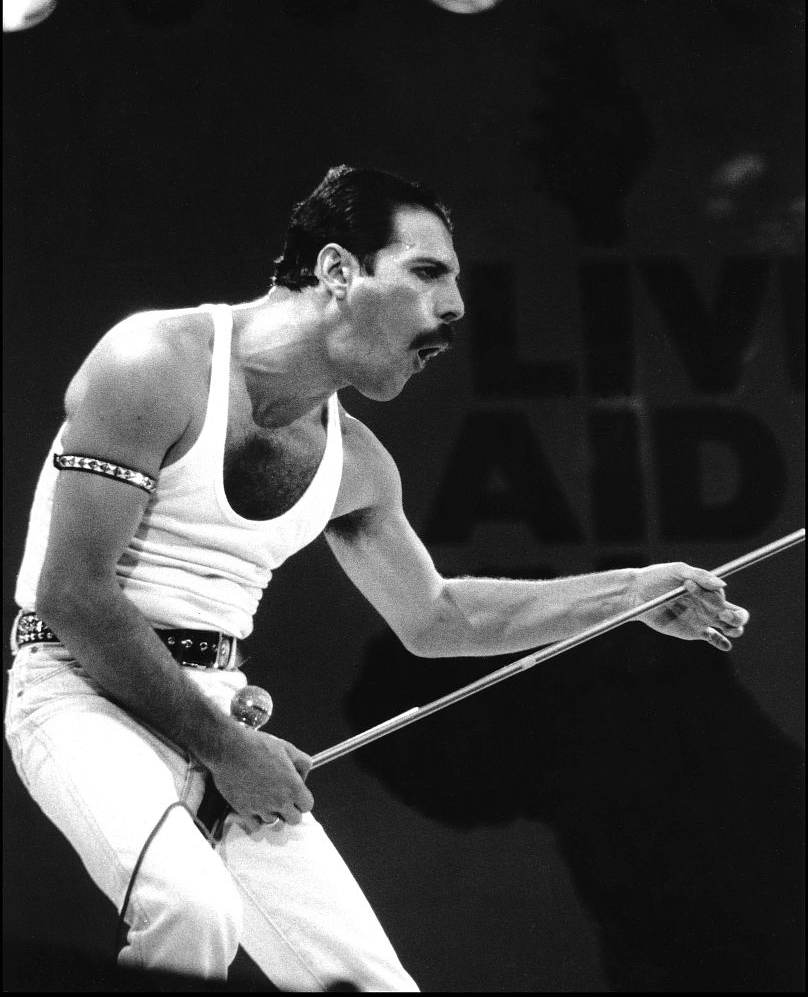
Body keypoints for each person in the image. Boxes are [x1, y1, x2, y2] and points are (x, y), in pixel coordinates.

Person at [5, 165, 750, 992]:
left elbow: (441, 618)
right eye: (428, 272)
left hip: (216, 717)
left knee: (372, 985)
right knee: (191, 910)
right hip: (77, 693)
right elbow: (71, 594)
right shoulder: (155, 361)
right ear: (336, 270)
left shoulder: (356, 463)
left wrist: (636, 591)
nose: (456, 308)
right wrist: (223, 747)